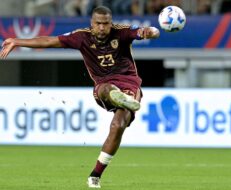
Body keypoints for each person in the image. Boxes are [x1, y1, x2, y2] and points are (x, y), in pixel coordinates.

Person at [0, 6, 160, 188]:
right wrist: (18, 42)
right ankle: (118, 97)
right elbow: (49, 41)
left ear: (111, 23)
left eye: (105, 24)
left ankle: (95, 176)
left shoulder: (121, 33)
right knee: (106, 89)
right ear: (91, 24)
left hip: (129, 83)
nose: (102, 28)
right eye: (98, 24)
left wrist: (152, 32)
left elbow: (144, 32)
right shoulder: (81, 37)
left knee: (118, 125)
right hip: (104, 84)